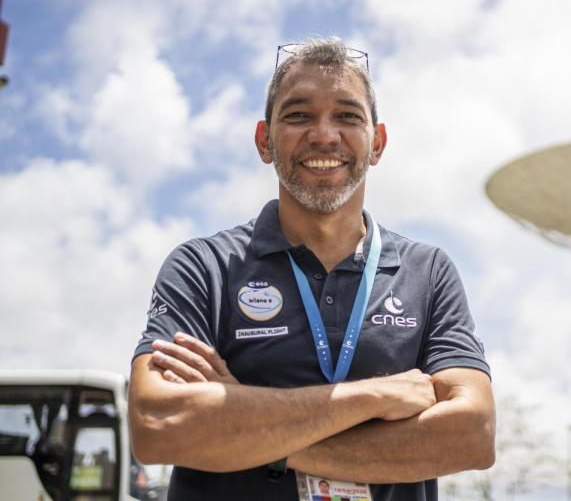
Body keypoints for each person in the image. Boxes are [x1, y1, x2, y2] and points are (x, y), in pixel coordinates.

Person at [128, 37, 495, 500]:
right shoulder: (203, 267)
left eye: (348, 115)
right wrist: (375, 398)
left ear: (377, 143)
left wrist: (247, 429)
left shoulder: (428, 272)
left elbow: (472, 435)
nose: (324, 135)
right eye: (299, 115)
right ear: (264, 141)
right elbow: (158, 425)